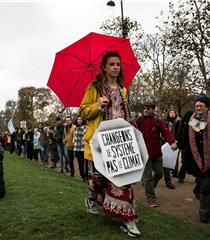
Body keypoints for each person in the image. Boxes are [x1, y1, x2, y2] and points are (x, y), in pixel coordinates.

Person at [80, 51, 140, 237]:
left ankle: (127, 218)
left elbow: (123, 114)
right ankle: (91, 198)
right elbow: (83, 113)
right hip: (99, 142)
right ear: (104, 67)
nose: (115, 67)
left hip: (120, 143)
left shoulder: (123, 89)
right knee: (98, 181)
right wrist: (97, 105)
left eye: (118, 64)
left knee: (123, 180)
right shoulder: (94, 87)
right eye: (112, 64)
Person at [177, 94, 210, 223]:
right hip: (195, 158)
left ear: (207, 108)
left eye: (201, 106)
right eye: (197, 105)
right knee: (206, 185)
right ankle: (203, 212)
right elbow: (186, 136)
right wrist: (177, 145)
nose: (198, 108)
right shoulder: (191, 118)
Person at [134, 102, 177, 207]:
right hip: (144, 154)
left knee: (159, 174)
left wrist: (172, 142)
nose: (146, 110)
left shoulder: (158, 121)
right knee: (147, 177)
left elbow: (166, 132)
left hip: (157, 153)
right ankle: (151, 198)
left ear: (153, 110)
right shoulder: (138, 121)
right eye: (144, 108)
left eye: (148, 108)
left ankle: (150, 188)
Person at [163, 109, 181, 189]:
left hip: (175, 141)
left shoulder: (178, 121)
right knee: (166, 159)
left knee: (175, 158)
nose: (172, 114)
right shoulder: (165, 122)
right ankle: (168, 180)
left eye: (174, 112)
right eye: (171, 112)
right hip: (166, 142)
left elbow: (179, 131)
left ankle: (175, 172)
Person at [73, 116, 87, 181]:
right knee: (80, 163)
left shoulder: (86, 127)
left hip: (84, 147)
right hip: (77, 148)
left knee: (86, 163)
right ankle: (82, 175)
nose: (79, 120)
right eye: (78, 119)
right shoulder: (75, 128)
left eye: (81, 119)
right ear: (76, 120)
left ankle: (86, 175)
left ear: (82, 120)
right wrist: (74, 139)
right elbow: (74, 136)